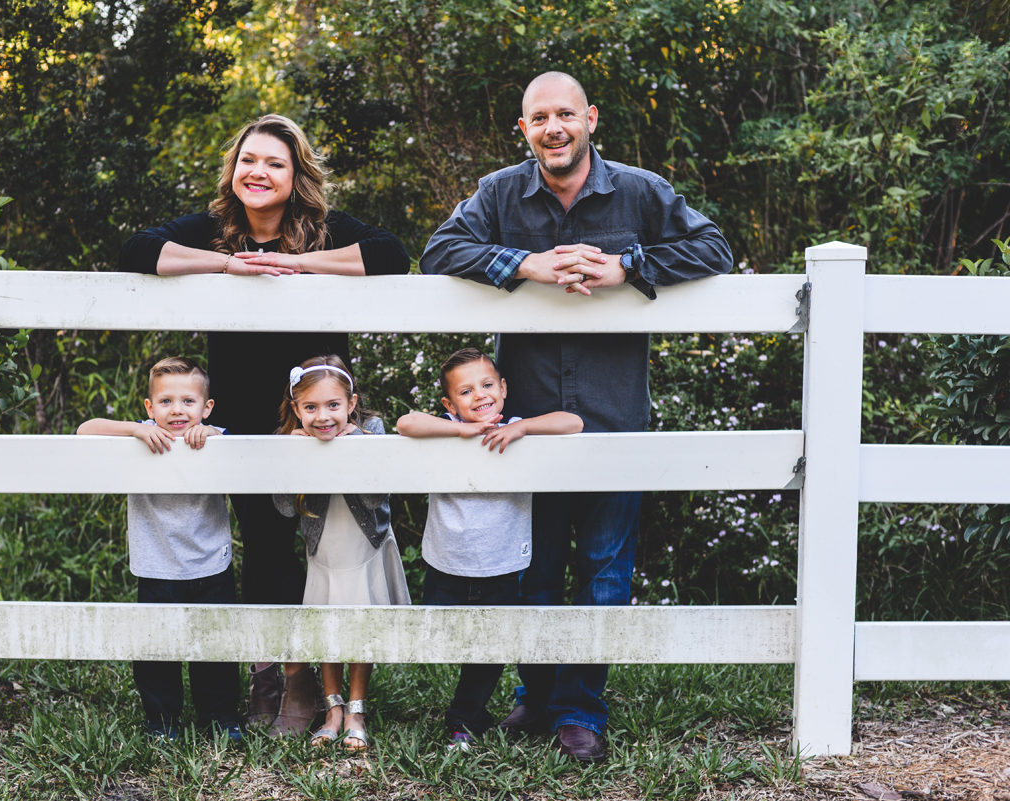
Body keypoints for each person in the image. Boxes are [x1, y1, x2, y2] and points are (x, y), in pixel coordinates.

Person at [419, 71, 733, 761]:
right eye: (539, 117)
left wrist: (630, 267)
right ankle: (539, 695)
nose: (553, 126)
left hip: (613, 415)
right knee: (533, 567)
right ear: (524, 128)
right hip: (523, 419)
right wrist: (523, 263)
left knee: (603, 570)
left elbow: (715, 249)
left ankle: (580, 710)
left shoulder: (640, 191)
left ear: (590, 118)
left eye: (565, 113)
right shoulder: (501, 193)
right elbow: (439, 250)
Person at [117, 114, 411, 727]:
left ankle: (318, 682)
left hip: (317, 415)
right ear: (234, 169)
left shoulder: (325, 228)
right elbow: (136, 249)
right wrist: (227, 264)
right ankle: (276, 678)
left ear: (296, 174)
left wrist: (302, 264)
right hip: (248, 418)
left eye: (276, 163)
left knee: (327, 545)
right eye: (249, 160)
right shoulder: (215, 230)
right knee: (268, 549)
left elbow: (392, 254)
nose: (260, 172)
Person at [396, 348, 582, 750]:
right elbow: (405, 422)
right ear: (449, 404)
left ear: (503, 388)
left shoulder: (515, 426)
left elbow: (574, 422)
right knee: (442, 637)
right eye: (465, 391)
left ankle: (465, 718)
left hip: (503, 563)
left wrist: (523, 429)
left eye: (486, 385)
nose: (479, 395)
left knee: (490, 645)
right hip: (447, 561)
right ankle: (469, 711)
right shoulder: (446, 426)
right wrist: (459, 431)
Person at [76, 357, 242, 741]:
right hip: (156, 563)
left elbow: (243, 454)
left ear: (206, 407)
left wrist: (216, 436)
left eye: (188, 401)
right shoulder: (143, 435)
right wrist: (136, 430)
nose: (177, 410)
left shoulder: (216, 436)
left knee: (215, 645)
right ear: (150, 407)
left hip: (210, 562)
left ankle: (219, 717)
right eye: (165, 401)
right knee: (155, 648)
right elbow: (86, 430)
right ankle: (162, 721)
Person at [271, 355, 410, 751]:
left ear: (350, 403)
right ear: (297, 409)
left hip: (364, 547)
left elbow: (375, 494)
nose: (322, 416)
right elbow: (284, 507)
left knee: (359, 628)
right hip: (324, 551)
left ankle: (356, 712)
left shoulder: (371, 431)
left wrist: (353, 445)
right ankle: (332, 711)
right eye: (310, 407)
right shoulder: (288, 440)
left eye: (333, 405)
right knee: (326, 627)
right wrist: (293, 456)